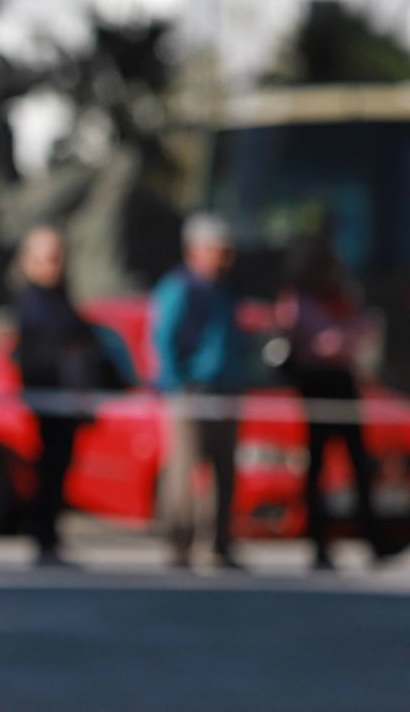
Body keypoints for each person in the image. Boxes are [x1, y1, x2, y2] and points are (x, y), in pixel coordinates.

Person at [276, 237, 395, 571]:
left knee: (360, 462)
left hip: (343, 383)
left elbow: (357, 335)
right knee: (317, 469)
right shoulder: (298, 300)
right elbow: (328, 344)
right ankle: (319, 543)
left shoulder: (340, 297)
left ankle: (374, 538)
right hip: (316, 384)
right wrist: (346, 336)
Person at [13, 225, 128, 567]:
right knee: (48, 470)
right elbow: (40, 354)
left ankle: (50, 536)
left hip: (66, 403)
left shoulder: (61, 300)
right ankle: (43, 537)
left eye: (57, 258)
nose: (54, 266)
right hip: (50, 402)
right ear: (29, 263)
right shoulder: (32, 303)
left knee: (59, 470)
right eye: (47, 259)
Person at [151, 213, 244, 571]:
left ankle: (219, 541)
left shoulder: (222, 289)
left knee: (224, 469)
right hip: (191, 391)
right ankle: (179, 541)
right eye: (219, 249)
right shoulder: (180, 287)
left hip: (224, 388)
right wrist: (177, 383)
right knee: (183, 468)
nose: (226, 257)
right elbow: (163, 339)